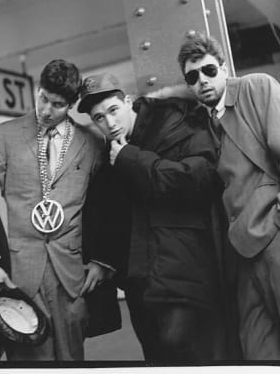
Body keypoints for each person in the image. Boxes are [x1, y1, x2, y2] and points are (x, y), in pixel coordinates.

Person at [0, 59, 120, 361]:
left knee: (72, 358)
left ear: (71, 104)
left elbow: (105, 207)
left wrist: (102, 260)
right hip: (19, 273)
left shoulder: (92, 143)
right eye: (42, 98)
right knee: (29, 361)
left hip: (71, 275)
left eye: (57, 104)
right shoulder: (5, 135)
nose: (45, 110)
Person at [176, 32, 280, 361]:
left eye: (209, 70)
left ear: (224, 68)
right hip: (244, 256)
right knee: (259, 352)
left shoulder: (257, 89)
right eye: (192, 76)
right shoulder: (208, 121)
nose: (202, 80)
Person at [78, 72, 228, 362]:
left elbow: (198, 180)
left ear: (129, 101)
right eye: (99, 118)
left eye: (113, 110)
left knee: (187, 355)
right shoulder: (111, 151)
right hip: (140, 281)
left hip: (182, 272)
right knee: (157, 357)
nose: (109, 123)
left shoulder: (171, 122)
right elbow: (111, 213)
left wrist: (130, 159)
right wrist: (101, 258)